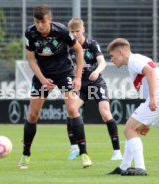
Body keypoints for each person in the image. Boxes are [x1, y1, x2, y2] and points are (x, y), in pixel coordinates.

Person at [18, 4, 92, 169]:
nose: (40, 26)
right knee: (32, 114)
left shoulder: (62, 31)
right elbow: (31, 60)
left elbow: (79, 51)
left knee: (72, 109)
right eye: (37, 22)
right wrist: (43, 80)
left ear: (49, 20)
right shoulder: (30, 33)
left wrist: (78, 77)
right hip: (42, 75)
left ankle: (84, 154)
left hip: (64, 73)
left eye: (43, 22)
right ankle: (25, 155)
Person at [106, 38, 159, 176]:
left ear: (120, 52)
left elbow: (150, 72)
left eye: (112, 56)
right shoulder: (137, 60)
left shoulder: (134, 60)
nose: (112, 60)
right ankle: (124, 166)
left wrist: (153, 98)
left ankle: (140, 167)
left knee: (129, 129)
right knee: (133, 130)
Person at [66, 17, 122, 161]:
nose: (75, 34)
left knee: (105, 113)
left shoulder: (92, 44)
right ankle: (74, 148)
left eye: (77, 31)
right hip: (80, 85)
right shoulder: (69, 47)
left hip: (96, 83)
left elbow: (102, 62)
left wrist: (96, 71)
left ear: (83, 29)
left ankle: (117, 152)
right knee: (71, 110)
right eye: (72, 32)